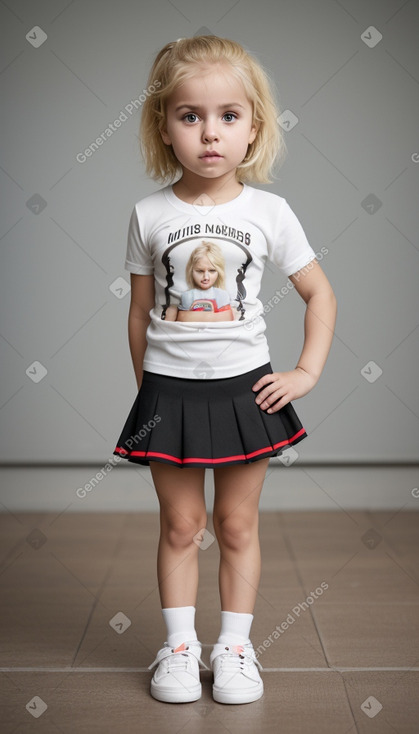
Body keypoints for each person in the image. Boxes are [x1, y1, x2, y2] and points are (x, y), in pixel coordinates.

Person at [113, 35, 337, 705]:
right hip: (169, 394)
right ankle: (178, 649)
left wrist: (304, 373)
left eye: (227, 116)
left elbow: (319, 292)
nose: (209, 132)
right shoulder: (148, 215)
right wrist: (148, 391)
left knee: (237, 526)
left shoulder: (269, 212)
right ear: (164, 126)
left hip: (247, 393)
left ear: (253, 128)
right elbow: (138, 314)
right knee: (182, 527)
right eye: (190, 115)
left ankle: (234, 648)